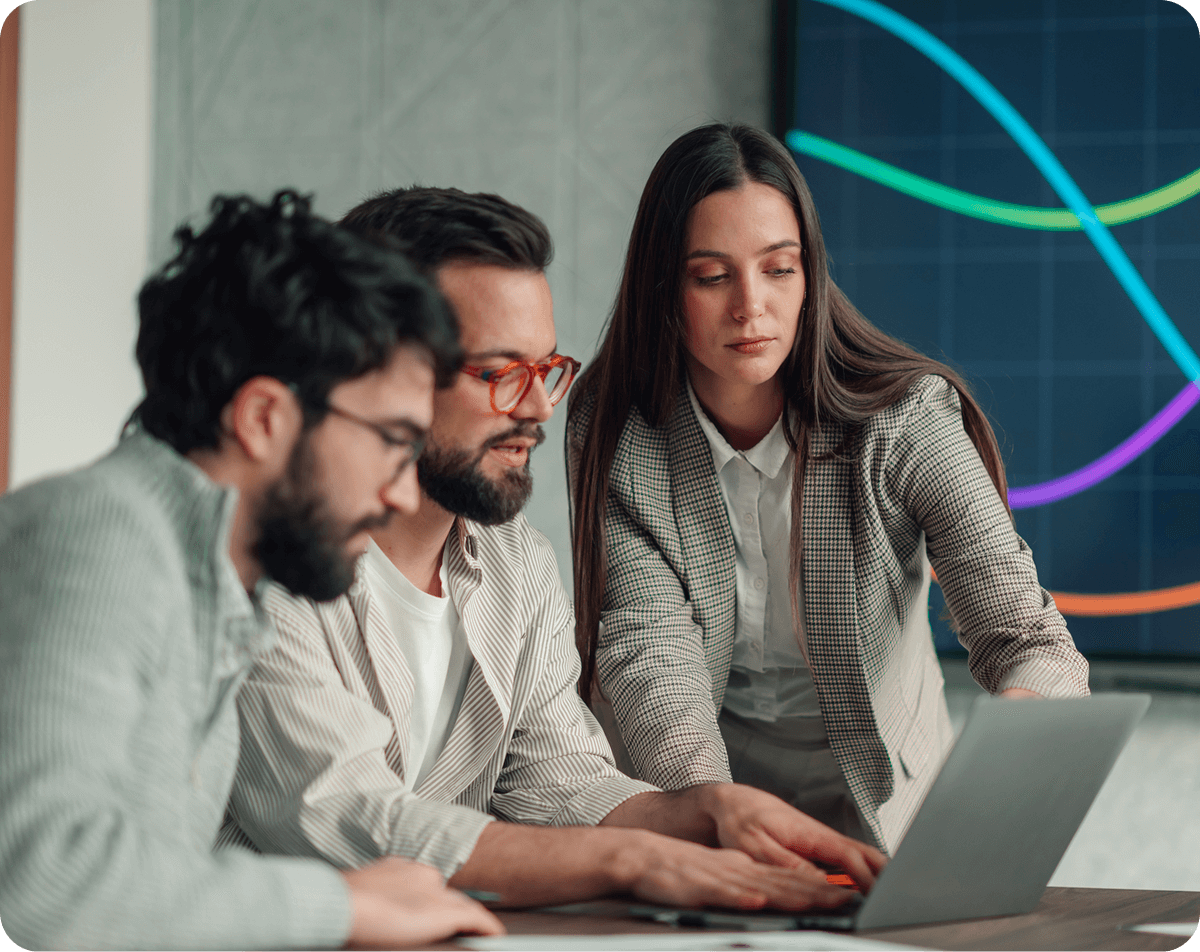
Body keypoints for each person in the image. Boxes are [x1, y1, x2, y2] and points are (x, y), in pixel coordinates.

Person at [222, 186, 885, 911]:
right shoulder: (258, 565)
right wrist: (632, 859)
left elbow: (560, 775)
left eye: (547, 370)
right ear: (372, 370)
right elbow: (349, 819)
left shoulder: (515, 560)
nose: (539, 407)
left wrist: (706, 813)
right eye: (500, 373)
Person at [567, 123, 1091, 856]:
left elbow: (1030, 639)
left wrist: (999, 773)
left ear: (810, 273)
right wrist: (717, 818)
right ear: (663, 289)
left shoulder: (905, 420)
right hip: (692, 778)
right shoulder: (616, 424)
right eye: (712, 276)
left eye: (778, 269)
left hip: (884, 785)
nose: (751, 307)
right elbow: (646, 647)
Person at [0, 191, 503, 951]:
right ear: (265, 418)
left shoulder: (218, 589)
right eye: (392, 441)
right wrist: (345, 905)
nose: (403, 492)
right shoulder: (100, 531)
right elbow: (44, 881)